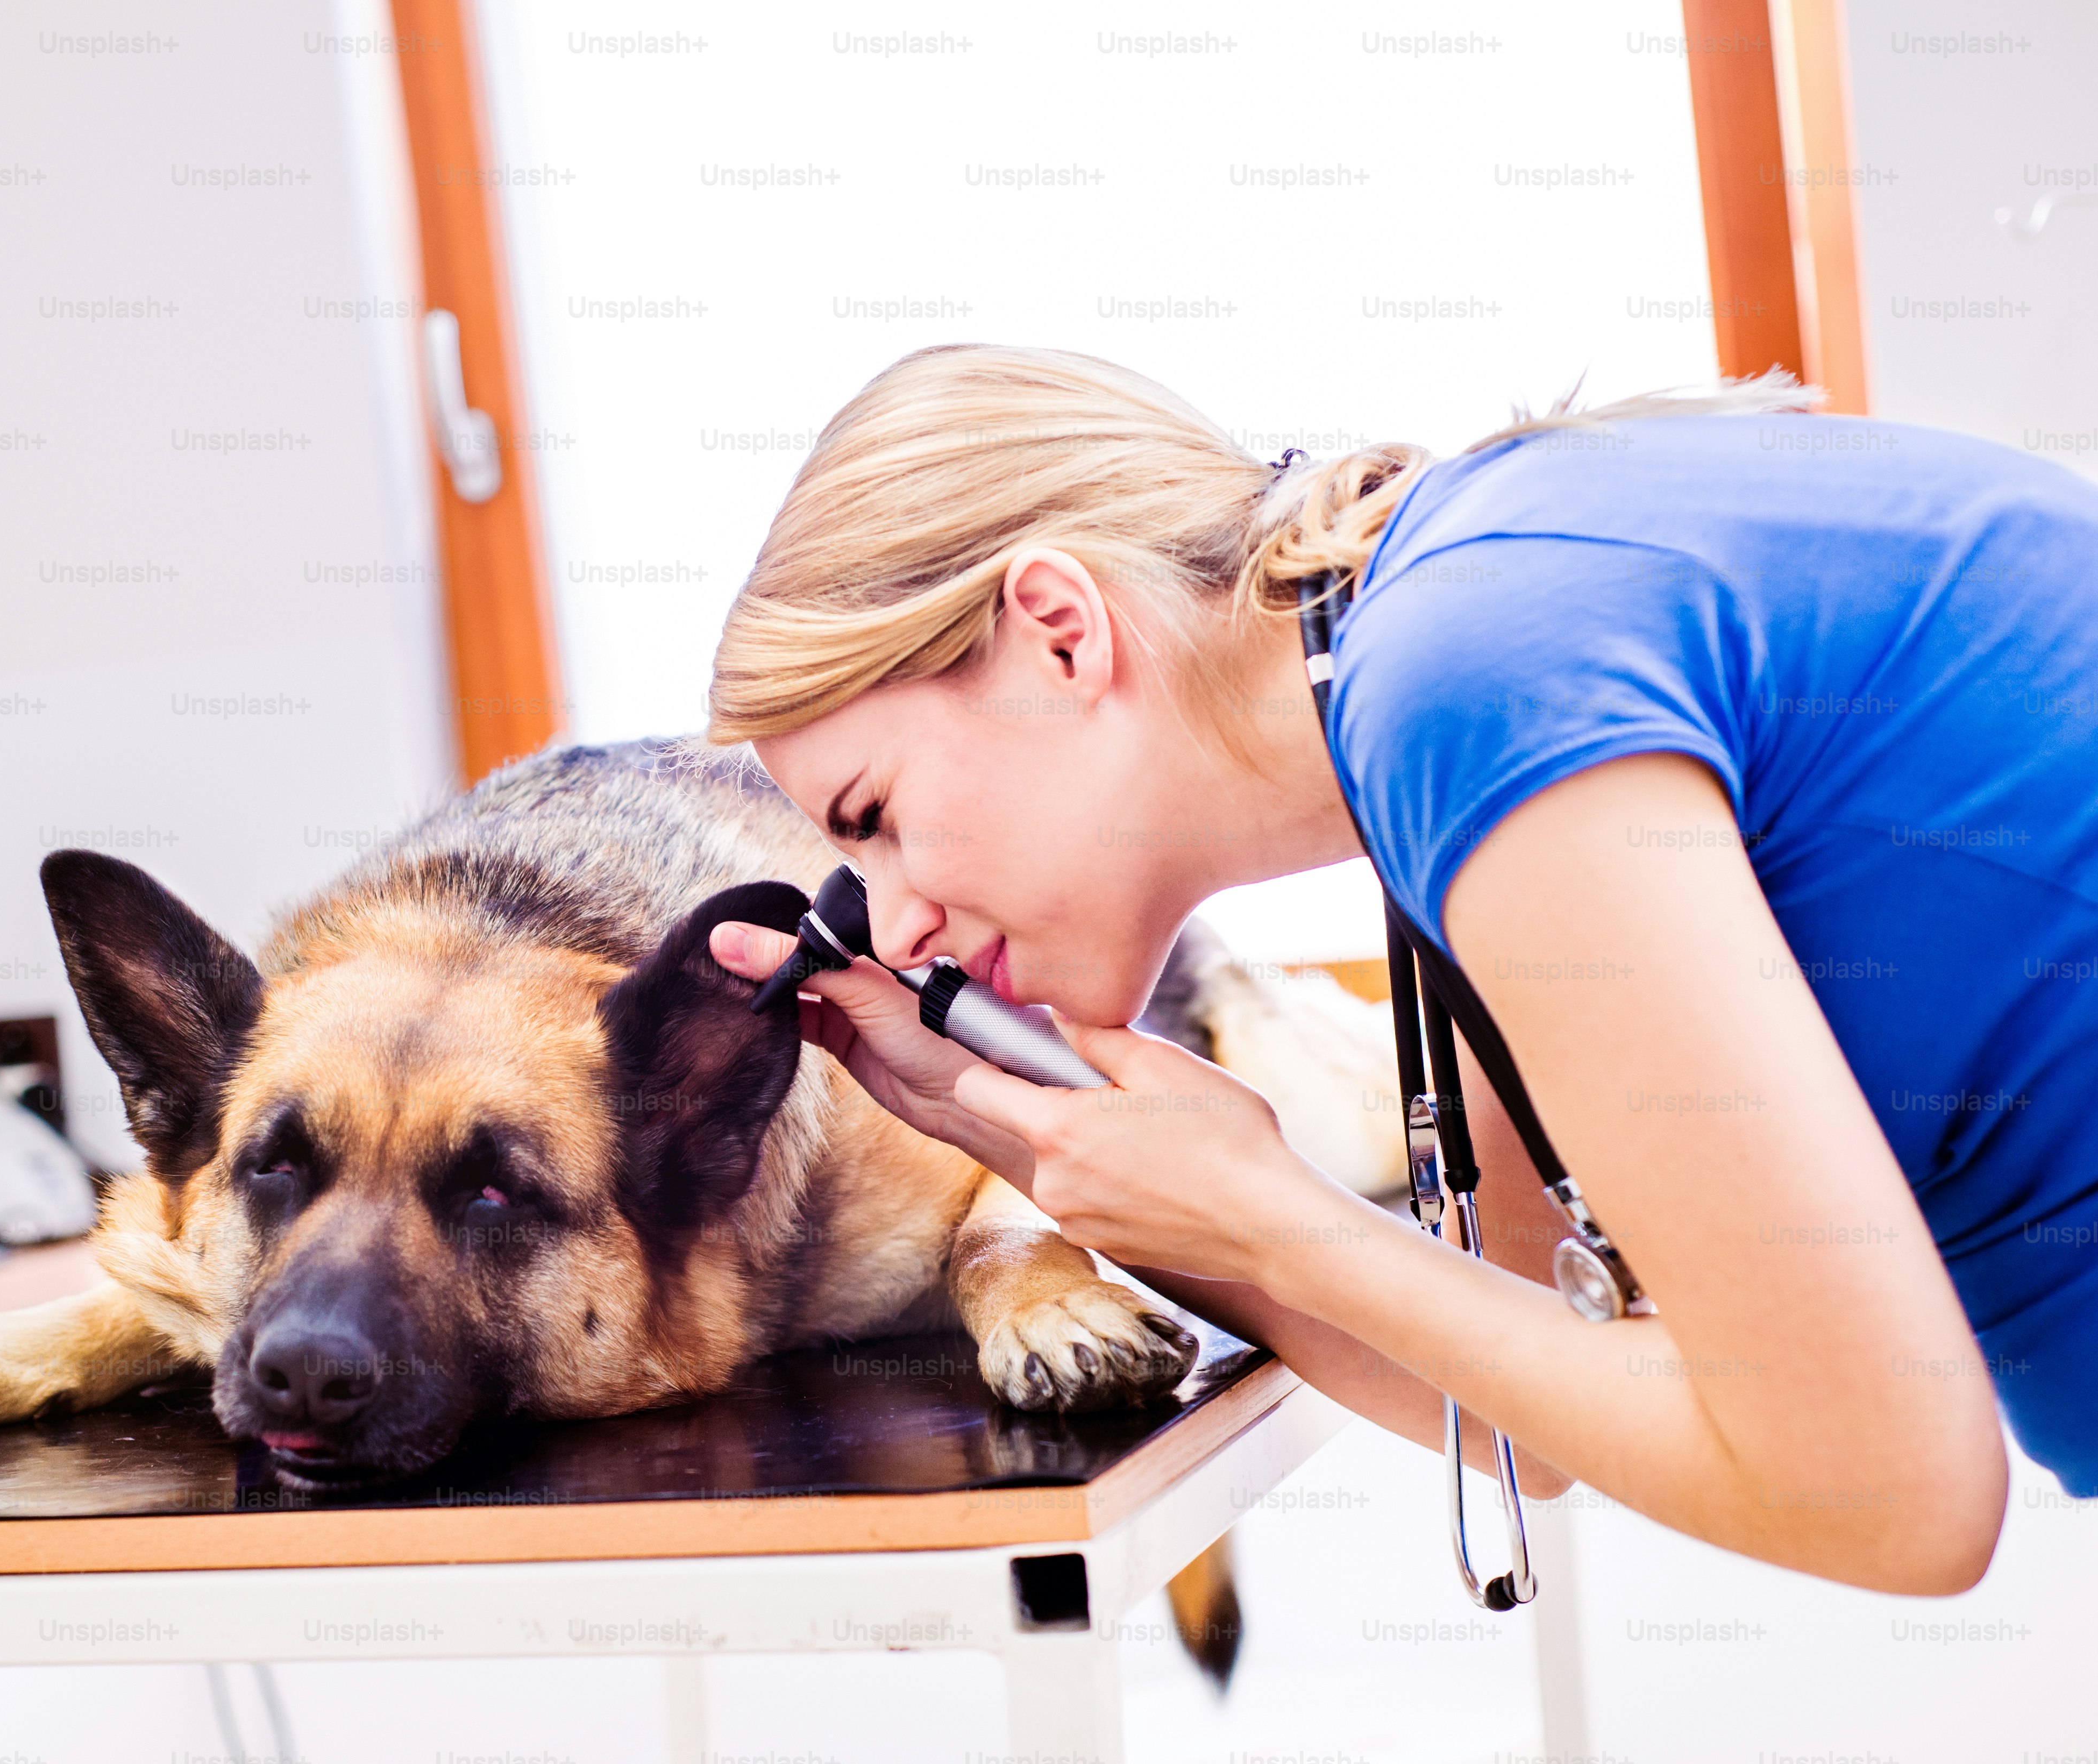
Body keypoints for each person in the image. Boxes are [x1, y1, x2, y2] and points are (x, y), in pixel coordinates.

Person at [699, 344, 2098, 1595]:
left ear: (1062, 633)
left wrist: (1265, 1214)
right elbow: (1520, 1412)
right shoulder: (1432, 674)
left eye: (873, 818)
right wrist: (1065, 1156)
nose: (894, 930)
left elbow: (1896, 1502)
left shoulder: (1471, 684)